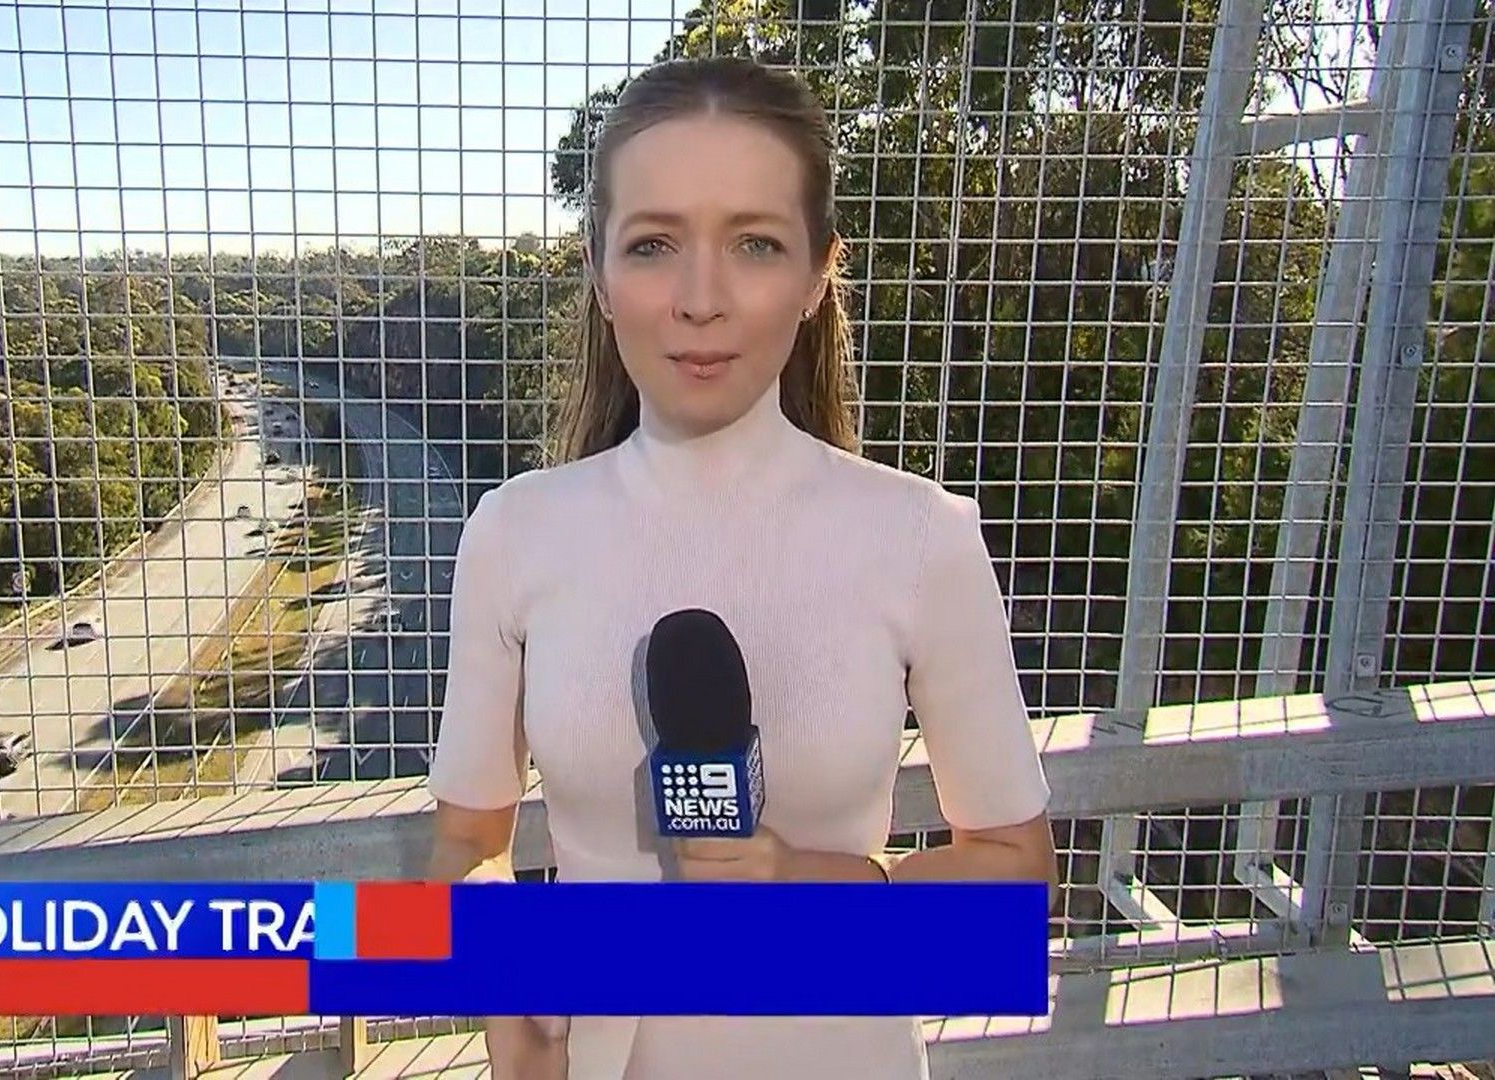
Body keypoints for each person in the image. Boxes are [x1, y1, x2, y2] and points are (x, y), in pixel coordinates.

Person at [424, 55, 1058, 1079]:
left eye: (755, 243)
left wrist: (804, 884)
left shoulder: (924, 537)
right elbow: (468, 848)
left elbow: (1012, 898)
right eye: (654, 244)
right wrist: (511, 1003)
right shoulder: (512, 534)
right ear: (599, 274)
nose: (701, 300)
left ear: (817, 276)